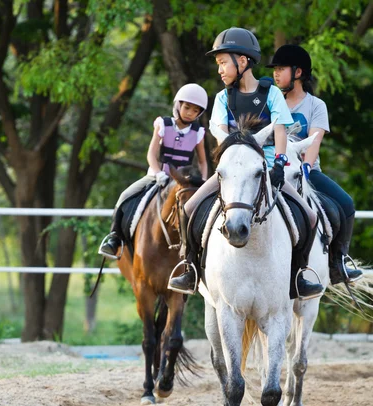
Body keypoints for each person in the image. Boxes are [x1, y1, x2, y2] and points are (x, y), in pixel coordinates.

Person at [168, 28, 324, 300]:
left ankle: (298, 275)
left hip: (265, 166)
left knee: (310, 217)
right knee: (189, 207)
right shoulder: (222, 98)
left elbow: (280, 128)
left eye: (222, 63)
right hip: (232, 167)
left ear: (242, 62)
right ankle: (191, 267)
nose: (219, 70)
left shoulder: (271, 94)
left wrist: (279, 164)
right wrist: (237, 150)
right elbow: (218, 129)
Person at [267, 44, 363, 284]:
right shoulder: (269, 101)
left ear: (298, 73)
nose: (275, 74)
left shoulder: (316, 105)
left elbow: (314, 142)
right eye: (275, 69)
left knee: (346, 204)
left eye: (281, 69)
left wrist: (306, 169)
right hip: (272, 170)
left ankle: (337, 262)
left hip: (304, 171)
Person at [99, 84, 209, 258]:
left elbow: (203, 162)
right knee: (125, 196)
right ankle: (115, 238)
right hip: (157, 176)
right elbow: (151, 154)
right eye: (187, 107)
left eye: (195, 110)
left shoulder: (198, 133)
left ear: (199, 114)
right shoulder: (163, 124)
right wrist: (158, 173)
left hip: (183, 181)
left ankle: (200, 250)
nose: (189, 112)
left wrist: (203, 180)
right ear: (178, 105)